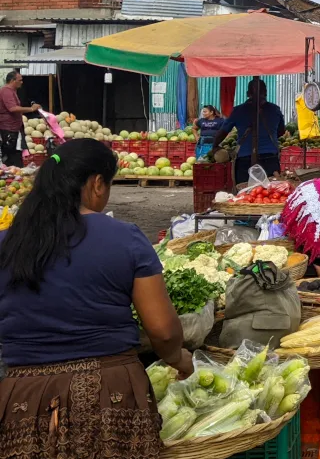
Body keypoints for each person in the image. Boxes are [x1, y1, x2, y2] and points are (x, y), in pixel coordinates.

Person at [0, 139, 193, 458]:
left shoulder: (7, 243)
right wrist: (179, 359)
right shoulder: (125, 238)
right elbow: (162, 330)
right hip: (110, 392)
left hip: (23, 397)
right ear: (97, 183)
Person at [212, 79, 285, 184]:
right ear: (266, 93)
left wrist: (214, 146)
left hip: (245, 159)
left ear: (247, 94)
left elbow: (223, 131)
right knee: (270, 193)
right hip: (270, 157)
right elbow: (281, 131)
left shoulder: (238, 111)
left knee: (244, 192)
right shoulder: (275, 109)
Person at [0, 71, 40, 167]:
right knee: (11, 156)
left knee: (16, 154)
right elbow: (12, 108)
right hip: (8, 129)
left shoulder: (12, 91)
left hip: (14, 128)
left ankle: (16, 172)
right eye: (20, 80)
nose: (22, 82)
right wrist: (31, 109)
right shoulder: (6, 91)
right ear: (13, 81)